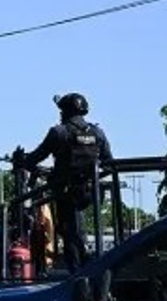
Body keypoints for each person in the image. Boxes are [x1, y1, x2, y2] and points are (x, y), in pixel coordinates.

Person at [13, 92, 112, 273]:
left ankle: (79, 273)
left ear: (65, 112)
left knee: (70, 233)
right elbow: (109, 163)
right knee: (76, 231)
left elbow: (35, 158)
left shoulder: (59, 132)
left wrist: (21, 160)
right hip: (90, 192)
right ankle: (84, 266)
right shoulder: (98, 133)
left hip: (67, 193)